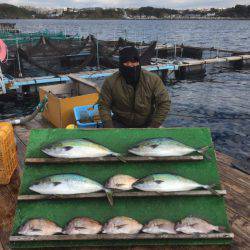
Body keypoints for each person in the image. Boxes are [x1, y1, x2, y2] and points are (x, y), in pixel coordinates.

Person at [98, 46, 171, 128]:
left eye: (134, 62)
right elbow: (103, 105)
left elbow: (164, 102)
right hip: (120, 123)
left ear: (139, 62)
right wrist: (109, 127)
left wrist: (154, 125)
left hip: (147, 123)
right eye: (126, 62)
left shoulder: (153, 79)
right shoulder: (110, 81)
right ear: (121, 64)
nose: (130, 65)